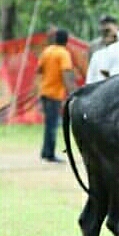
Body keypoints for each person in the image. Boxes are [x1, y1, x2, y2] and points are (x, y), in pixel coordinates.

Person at [36, 28, 76, 163]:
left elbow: (39, 70)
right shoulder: (63, 53)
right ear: (66, 40)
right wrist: (72, 93)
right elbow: (66, 73)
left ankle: (45, 152)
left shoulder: (47, 51)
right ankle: (50, 154)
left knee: (49, 123)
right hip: (54, 93)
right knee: (52, 124)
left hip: (44, 91)